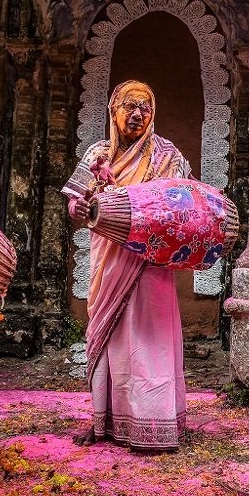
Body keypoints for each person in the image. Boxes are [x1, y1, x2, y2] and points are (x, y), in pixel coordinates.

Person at [62, 80, 191, 451]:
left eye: (145, 108)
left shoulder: (168, 155)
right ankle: (103, 421)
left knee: (150, 340)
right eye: (129, 106)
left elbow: (183, 201)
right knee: (111, 338)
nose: (137, 114)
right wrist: (82, 207)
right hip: (109, 258)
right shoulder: (97, 154)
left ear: (153, 115)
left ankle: (156, 422)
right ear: (113, 111)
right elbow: (74, 203)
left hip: (150, 262)